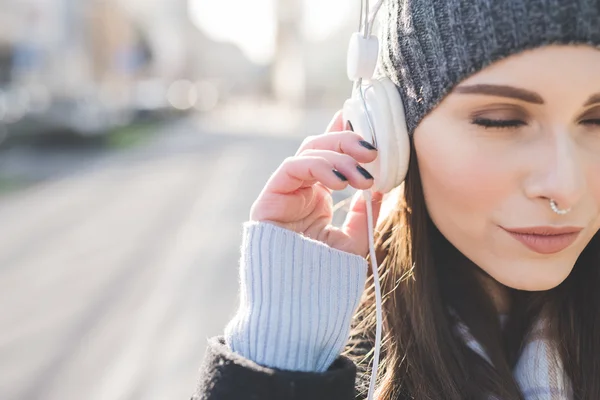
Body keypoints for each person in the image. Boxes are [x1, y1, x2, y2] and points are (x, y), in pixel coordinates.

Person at [191, 0, 600, 399]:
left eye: (596, 120)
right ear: (389, 135)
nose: (565, 187)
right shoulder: (348, 361)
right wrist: (282, 355)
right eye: (500, 121)